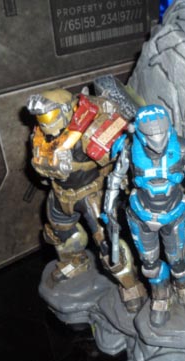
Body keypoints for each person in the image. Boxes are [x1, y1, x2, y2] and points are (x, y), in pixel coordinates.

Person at [26, 89, 147, 312]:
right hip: (60, 194)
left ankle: (131, 285)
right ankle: (76, 261)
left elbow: (121, 153)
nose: (44, 122)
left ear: (65, 111)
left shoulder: (89, 131)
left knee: (109, 245)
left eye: (49, 115)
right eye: (41, 116)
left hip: (91, 195)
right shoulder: (40, 135)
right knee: (60, 233)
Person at [103, 104, 185, 327]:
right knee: (150, 265)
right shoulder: (129, 148)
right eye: (151, 134)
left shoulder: (183, 148)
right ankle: (161, 295)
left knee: (177, 260)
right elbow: (114, 180)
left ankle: (182, 285)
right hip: (141, 215)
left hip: (174, 214)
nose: (157, 139)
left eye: (161, 132)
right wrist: (109, 212)